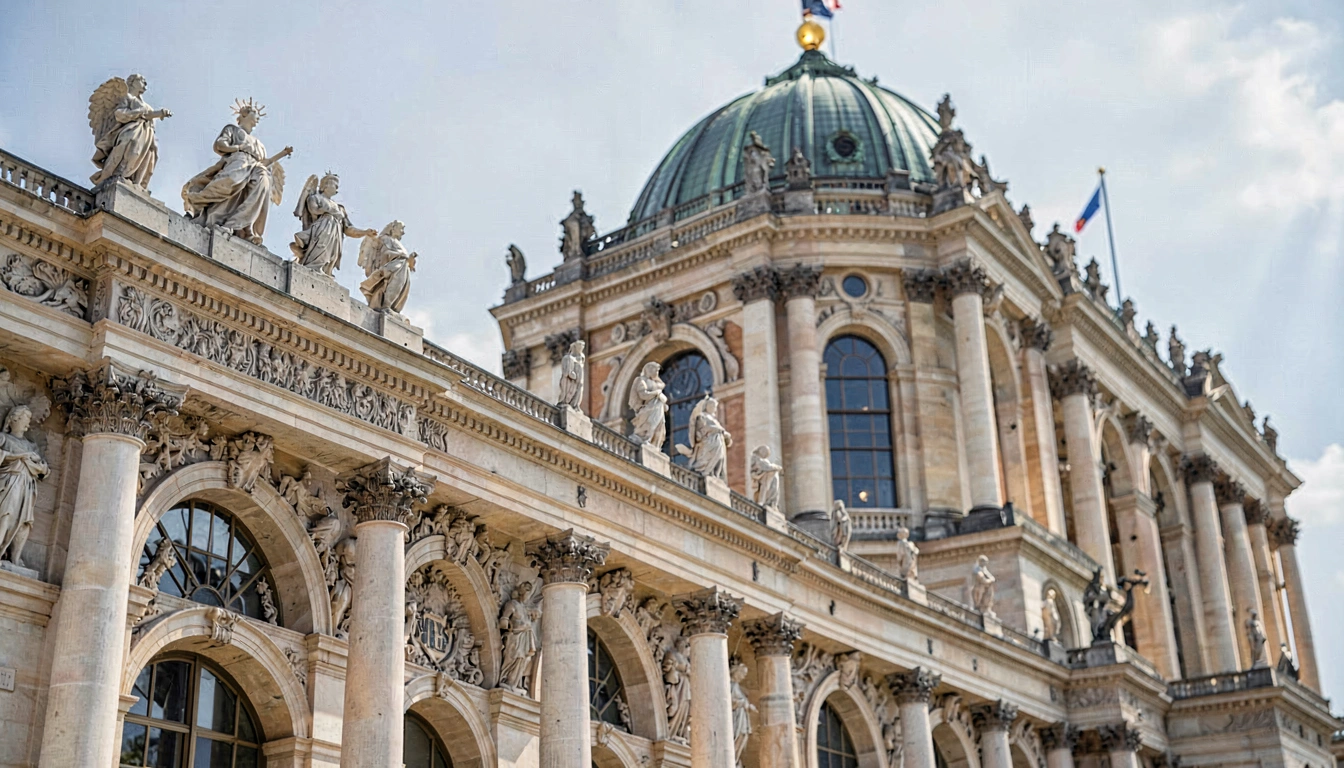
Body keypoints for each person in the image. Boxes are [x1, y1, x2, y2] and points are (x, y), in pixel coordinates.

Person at [182, 99, 293, 244]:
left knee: (263, 183)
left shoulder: (259, 145)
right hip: (238, 162)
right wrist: (237, 148)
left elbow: (264, 162)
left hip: (256, 168)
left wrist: (283, 153)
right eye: (255, 114)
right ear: (245, 114)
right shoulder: (233, 130)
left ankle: (239, 225)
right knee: (230, 182)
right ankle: (208, 210)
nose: (258, 118)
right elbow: (220, 144)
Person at [290, 173, 377, 275]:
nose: (336, 186)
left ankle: (322, 268)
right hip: (322, 231)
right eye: (334, 183)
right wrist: (329, 211)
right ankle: (311, 260)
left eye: (337, 184)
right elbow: (313, 210)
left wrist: (365, 232)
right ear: (325, 185)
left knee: (329, 258)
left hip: (335, 236)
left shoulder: (339, 208)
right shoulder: (315, 198)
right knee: (319, 253)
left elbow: (348, 229)